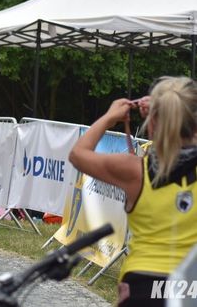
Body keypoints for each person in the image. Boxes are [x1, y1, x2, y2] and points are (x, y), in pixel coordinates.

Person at [69, 76, 197, 307]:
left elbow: (78, 154)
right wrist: (169, 107)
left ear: (153, 122)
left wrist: (109, 117)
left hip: (141, 282)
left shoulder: (135, 170)